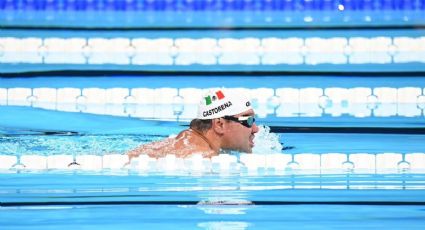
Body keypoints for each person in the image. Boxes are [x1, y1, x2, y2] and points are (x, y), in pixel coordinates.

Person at [127, 89, 259, 160]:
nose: (256, 129)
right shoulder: (201, 158)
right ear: (219, 124)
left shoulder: (182, 140)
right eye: (248, 120)